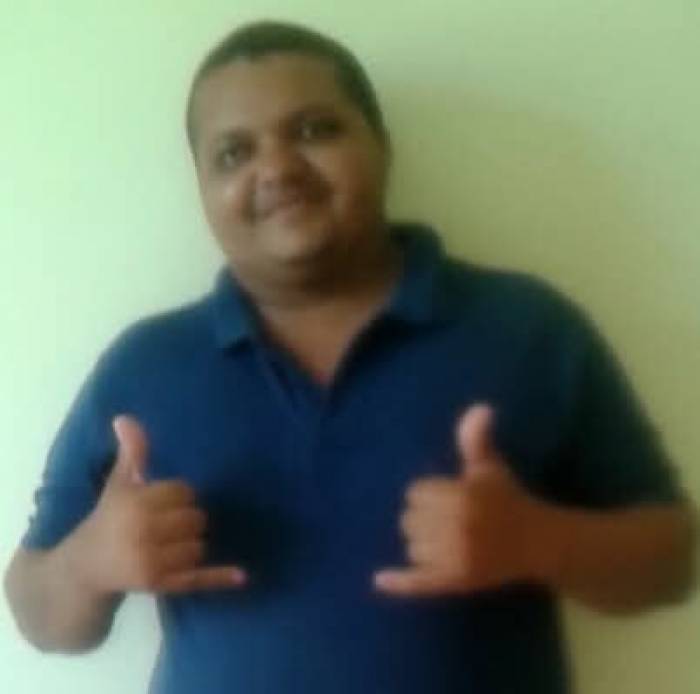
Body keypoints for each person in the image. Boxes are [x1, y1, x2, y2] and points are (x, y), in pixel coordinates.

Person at [4, 19, 697, 694]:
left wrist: (539, 541)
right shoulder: (143, 366)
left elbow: (674, 559)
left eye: (315, 129)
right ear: (202, 186)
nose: (277, 168)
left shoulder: (529, 328)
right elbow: (36, 612)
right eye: (233, 153)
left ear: (381, 145)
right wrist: (88, 566)